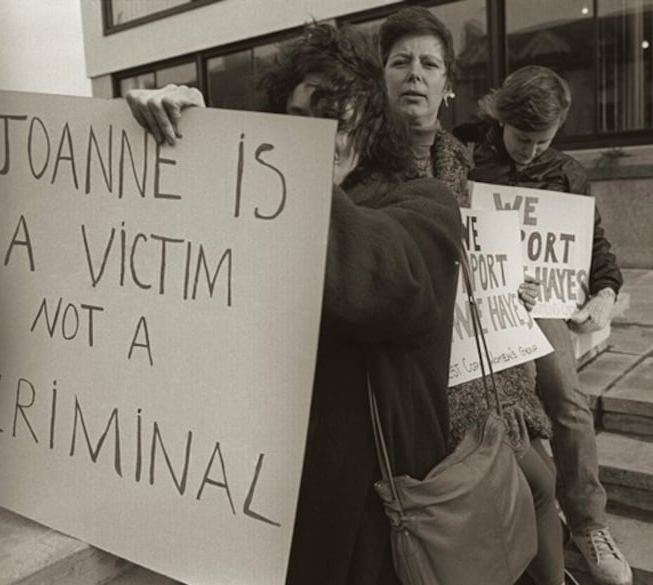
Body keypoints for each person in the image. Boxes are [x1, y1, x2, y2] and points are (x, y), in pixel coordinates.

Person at [126, 24, 461, 585]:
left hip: (377, 526)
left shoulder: (425, 204)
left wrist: (240, 163)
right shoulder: (254, 210)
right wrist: (169, 139)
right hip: (267, 505)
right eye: (299, 121)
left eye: (336, 117)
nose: (316, 138)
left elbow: (378, 280)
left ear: (371, 126)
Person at [379, 8, 571, 585]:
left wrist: (517, 287)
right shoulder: (360, 165)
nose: (415, 73)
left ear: (447, 85)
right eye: (400, 62)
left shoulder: (465, 164)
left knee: (539, 486)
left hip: (494, 379)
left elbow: (484, 266)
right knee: (497, 513)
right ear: (381, 78)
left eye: (429, 63)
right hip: (427, 390)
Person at [453, 65, 631, 585]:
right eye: (522, 138)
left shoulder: (569, 174)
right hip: (477, 302)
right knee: (489, 407)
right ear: (500, 118)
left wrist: (604, 292)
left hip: (541, 305)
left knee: (567, 400)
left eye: (543, 141)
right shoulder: (465, 157)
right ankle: (523, 508)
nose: (531, 151)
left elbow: (600, 253)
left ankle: (589, 523)